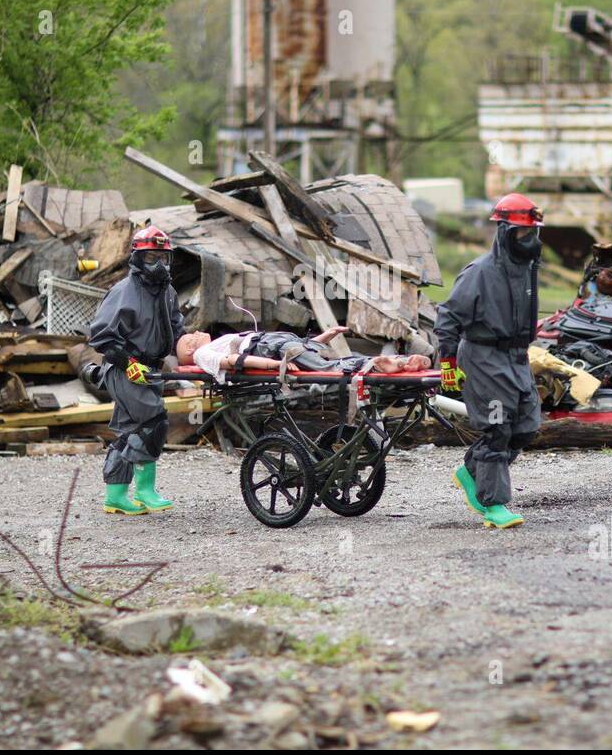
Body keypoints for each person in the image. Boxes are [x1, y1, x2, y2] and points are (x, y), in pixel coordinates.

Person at [435, 192, 544, 529]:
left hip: (517, 358)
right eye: (521, 232)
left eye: (532, 232)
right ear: (504, 232)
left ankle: (471, 471)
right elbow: (448, 316)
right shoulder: (479, 272)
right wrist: (447, 363)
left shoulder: (527, 268)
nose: (527, 239)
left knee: (526, 426)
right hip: (484, 360)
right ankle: (493, 504)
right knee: (497, 429)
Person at [86, 225, 185, 516]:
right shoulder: (123, 291)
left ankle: (115, 496)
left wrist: (196, 351)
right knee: (153, 422)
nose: (159, 264)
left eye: (163, 257)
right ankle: (145, 491)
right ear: (138, 258)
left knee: (128, 430)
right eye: (152, 257)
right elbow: (101, 336)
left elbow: (177, 331)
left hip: (151, 370)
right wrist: (128, 364)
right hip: (124, 369)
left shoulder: (168, 292)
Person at [177, 326, 430, 380]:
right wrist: (274, 366)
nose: (196, 331)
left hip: (279, 343)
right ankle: (391, 362)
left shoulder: (215, 342)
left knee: (332, 365)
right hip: (273, 348)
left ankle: (392, 362)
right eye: (191, 336)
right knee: (332, 367)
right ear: (190, 348)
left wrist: (324, 336)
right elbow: (235, 360)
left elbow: (297, 347)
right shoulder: (202, 354)